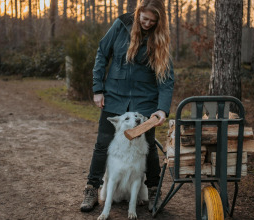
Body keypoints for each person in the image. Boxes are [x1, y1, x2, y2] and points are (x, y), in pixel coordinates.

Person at [80, 0, 174, 213]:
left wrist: (162, 108)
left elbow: (167, 79)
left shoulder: (161, 38)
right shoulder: (121, 24)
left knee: (147, 148)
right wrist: (98, 88)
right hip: (114, 96)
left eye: (153, 21)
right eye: (144, 18)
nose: (148, 23)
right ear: (138, 12)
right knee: (102, 144)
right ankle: (92, 189)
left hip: (145, 103)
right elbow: (102, 53)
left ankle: (153, 191)